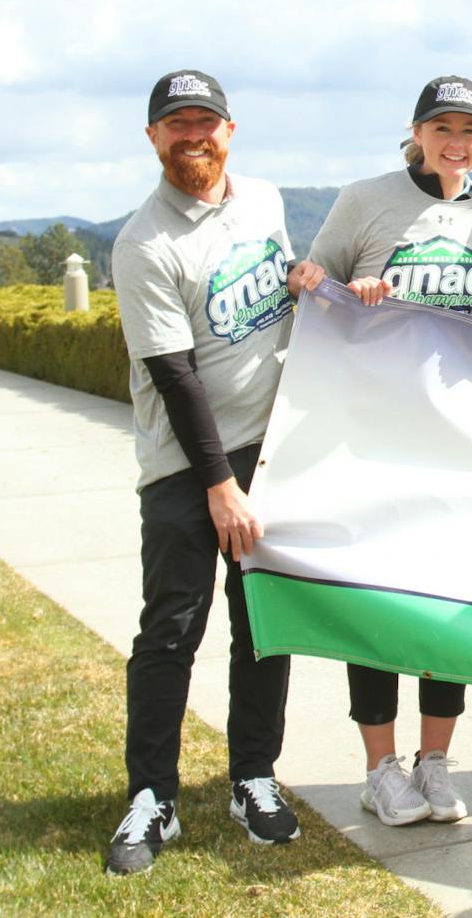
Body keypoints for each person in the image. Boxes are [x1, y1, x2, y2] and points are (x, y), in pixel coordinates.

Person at [106, 70, 325, 875]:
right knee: (172, 626)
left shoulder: (262, 200)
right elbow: (176, 375)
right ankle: (151, 795)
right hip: (184, 463)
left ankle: (253, 776)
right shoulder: (144, 243)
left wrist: (300, 280)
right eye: (177, 124)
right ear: (153, 137)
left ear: (230, 130)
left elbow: (275, 291)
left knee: (263, 621)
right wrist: (220, 486)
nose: (193, 136)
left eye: (206, 122)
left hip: (266, 452)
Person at [307, 75, 472, 827]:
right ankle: (380, 768)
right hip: (370, 437)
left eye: (469, 131)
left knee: (447, 604)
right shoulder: (364, 199)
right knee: (376, 603)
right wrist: (348, 286)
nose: (455, 143)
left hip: (455, 439)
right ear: (417, 131)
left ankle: (435, 761)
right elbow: (311, 282)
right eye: (442, 128)